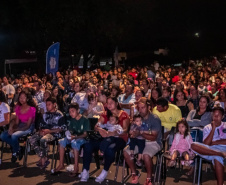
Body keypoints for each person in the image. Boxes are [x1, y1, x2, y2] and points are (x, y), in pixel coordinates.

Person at [80, 96, 129, 183]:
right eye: (107, 103)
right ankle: (85, 170)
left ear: (116, 104)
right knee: (88, 144)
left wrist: (115, 133)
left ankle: (104, 171)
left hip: (119, 138)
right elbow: (96, 126)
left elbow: (125, 130)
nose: (109, 105)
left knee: (110, 150)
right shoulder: (105, 114)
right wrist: (100, 130)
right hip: (105, 137)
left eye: (111, 103)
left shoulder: (123, 114)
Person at [124, 97, 162, 185]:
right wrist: (132, 133)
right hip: (139, 141)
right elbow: (131, 132)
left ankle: (149, 178)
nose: (140, 110)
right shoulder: (137, 117)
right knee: (126, 152)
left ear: (149, 107)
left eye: (143, 107)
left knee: (146, 155)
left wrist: (139, 134)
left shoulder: (154, 119)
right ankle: (134, 173)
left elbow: (153, 137)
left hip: (153, 142)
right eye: (139, 108)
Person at [191, 106, 226, 185]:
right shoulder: (207, 127)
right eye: (214, 115)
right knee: (193, 145)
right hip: (209, 150)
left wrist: (215, 142)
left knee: (217, 158)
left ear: (222, 116)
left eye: (218, 115)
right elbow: (206, 144)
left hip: (224, 149)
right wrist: (213, 128)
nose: (216, 117)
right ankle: (218, 154)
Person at [29, 97, 66, 169]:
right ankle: (43, 157)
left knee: (43, 140)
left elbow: (62, 128)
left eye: (49, 104)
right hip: (45, 132)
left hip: (55, 134)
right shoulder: (45, 115)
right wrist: (41, 131)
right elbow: (41, 126)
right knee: (32, 139)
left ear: (54, 104)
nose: (47, 106)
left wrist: (50, 131)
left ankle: (43, 158)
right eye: (46, 105)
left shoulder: (59, 115)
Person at [54, 103, 90, 176]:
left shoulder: (85, 120)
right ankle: (61, 164)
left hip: (82, 138)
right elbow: (70, 130)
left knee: (74, 143)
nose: (71, 113)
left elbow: (85, 134)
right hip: (73, 137)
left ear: (78, 110)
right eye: (70, 112)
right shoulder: (72, 120)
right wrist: (69, 135)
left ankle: (76, 167)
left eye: (72, 111)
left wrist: (75, 137)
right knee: (61, 142)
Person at [1, 90, 36, 163]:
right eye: (20, 97)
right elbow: (16, 122)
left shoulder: (32, 109)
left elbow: (27, 125)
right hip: (20, 125)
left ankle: (15, 151)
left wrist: (15, 130)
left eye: (24, 97)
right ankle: (19, 149)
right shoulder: (18, 108)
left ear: (27, 98)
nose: (21, 99)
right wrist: (12, 128)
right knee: (3, 136)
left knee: (14, 135)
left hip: (29, 127)